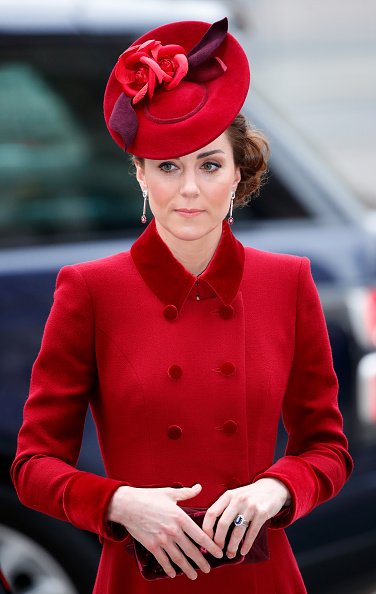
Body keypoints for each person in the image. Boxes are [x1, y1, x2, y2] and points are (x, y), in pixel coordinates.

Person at [11, 16, 353, 594]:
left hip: (261, 577)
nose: (189, 189)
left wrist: (277, 489)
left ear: (239, 173)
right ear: (140, 174)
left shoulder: (288, 282)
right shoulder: (90, 289)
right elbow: (32, 467)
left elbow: (328, 448)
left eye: (209, 165)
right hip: (139, 578)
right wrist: (119, 503)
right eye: (168, 166)